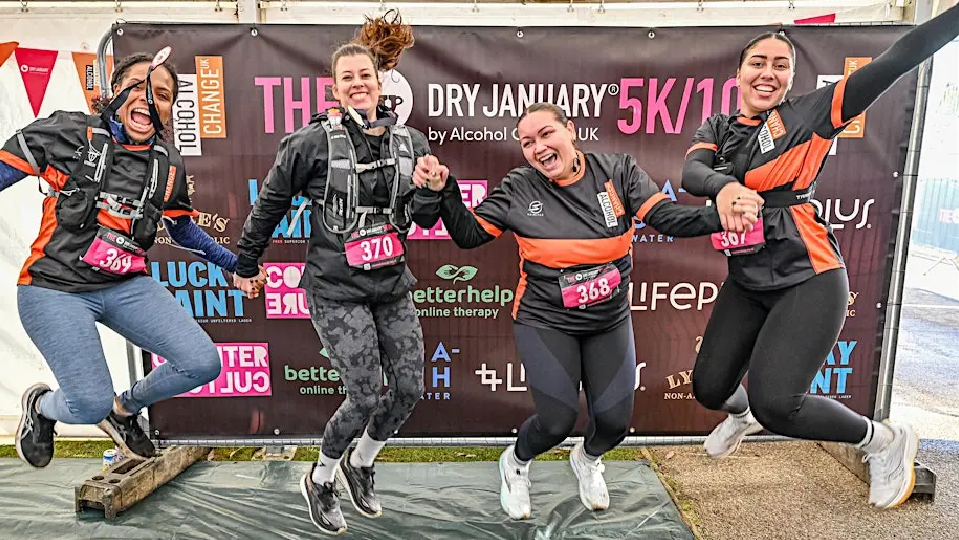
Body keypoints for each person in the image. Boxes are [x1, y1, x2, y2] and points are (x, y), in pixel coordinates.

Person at [408, 102, 753, 520]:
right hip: (544, 319)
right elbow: (467, 234)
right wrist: (444, 190)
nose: (538, 148)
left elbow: (666, 218)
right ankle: (515, 464)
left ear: (571, 131)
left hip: (608, 320)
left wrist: (720, 216)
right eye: (527, 143)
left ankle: (587, 459)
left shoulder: (617, 171)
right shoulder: (520, 186)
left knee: (613, 425)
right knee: (556, 421)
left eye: (546, 135)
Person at [682, 3, 959, 510]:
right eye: (758, 62)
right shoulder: (718, 126)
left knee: (777, 405)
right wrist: (723, 188)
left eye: (780, 64)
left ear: (790, 76)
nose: (767, 73)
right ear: (739, 72)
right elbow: (692, 175)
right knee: (708, 387)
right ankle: (738, 416)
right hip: (747, 279)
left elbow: (897, 60)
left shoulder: (811, 112)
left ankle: (882, 440)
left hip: (807, 276)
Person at [2, 48, 264, 469]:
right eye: (138, 87)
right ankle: (43, 407)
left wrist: (235, 267)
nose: (149, 98)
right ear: (115, 92)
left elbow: (183, 231)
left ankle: (124, 410)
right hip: (54, 289)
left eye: (162, 95)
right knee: (87, 404)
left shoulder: (168, 164)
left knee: (202, 362)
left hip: (125, 285)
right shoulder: (68, 132)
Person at [232, 10, 429, 535]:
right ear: (335, 88)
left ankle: (361, 463)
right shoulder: (309, 144)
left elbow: (426, 214)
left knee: (409, 387)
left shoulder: (408, 141)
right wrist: (246, 262)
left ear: (381, 80)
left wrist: (433, 188)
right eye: (348, 78)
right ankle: (321, 479)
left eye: (366, 75)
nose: (359, 84)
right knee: (365, 393)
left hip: (391, 286)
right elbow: (270, 204)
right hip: (336, 289)